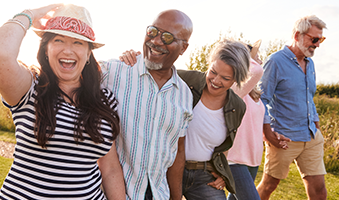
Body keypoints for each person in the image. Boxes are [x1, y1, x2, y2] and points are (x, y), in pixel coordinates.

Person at [0, 4, 125, 199]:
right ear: (46, 49)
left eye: (78, 42)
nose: (68, 50)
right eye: (59, 40)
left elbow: (109, 168)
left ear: (88, 54)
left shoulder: (104, 100)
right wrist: (30, 14)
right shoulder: (29, 88)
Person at [120, 39, 250, 200]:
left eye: (225, 78)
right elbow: (152, 71)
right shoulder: (185, 81)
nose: (216, 81)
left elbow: (225, 145)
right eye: (213, 72)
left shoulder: (237, 106)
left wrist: (222, 172)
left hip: (203, 176)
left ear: (236, 79)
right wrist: (134, 57)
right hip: (166, 169)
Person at [100, 9, 194, 200]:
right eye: (152, 31)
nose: (157, 41)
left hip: (157, 194)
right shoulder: (113, 72)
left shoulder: (184, 94)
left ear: (183, 48)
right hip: (109, 193)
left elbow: (177, 152)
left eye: (167, 37)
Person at [256, 15, 328, 200]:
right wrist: (267, 133)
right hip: (284, 137)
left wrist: (317, 126)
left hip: (310, 136)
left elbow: (308, 99)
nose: (318, 44)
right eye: (314, 39)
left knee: (319, 188)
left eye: (320, 39)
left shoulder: (310, 64)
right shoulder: (275, 62)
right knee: (269, 185)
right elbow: (261, 99)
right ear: (298, 35)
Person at [226, 40, 264, 200]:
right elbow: (257, 70)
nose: (260, 60)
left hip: (253, 159)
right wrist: (243, 55)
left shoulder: (252, 93)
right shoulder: (234, 90)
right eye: (256, 57)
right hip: (235, 159)